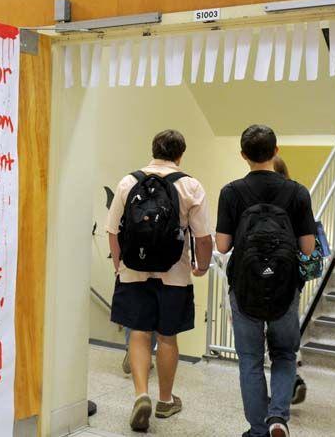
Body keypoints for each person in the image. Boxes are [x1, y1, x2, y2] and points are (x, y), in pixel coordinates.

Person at [106, 129, 213, 432]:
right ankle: (165, 400)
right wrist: (201, 266)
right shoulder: (190, 186)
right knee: (167, 337)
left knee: (139, 334)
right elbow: (203, 237)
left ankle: (141, 395)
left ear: (153, 150)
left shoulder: (129, 182)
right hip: (175, 275)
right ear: (180, 154)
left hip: (133, 271)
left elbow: (113, 231)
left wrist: (119, 265)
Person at [216, 125, 315, 437]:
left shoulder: (231, 192)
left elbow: (222, 245)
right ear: (276, 151)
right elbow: (308, 247)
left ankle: (258, 430)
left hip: (245, 287)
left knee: (250, 359)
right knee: (284, 355)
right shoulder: (297, 192)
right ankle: (277, 419)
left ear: (244, 155)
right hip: (285, 289)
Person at [273, 155, 308, 406]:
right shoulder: (298, 195)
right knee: (285, 344)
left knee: (254, 347)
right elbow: (307, 245)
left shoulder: (246, 195)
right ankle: (288, 384)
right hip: (288, 278)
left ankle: (271, 398)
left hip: (253, 280)